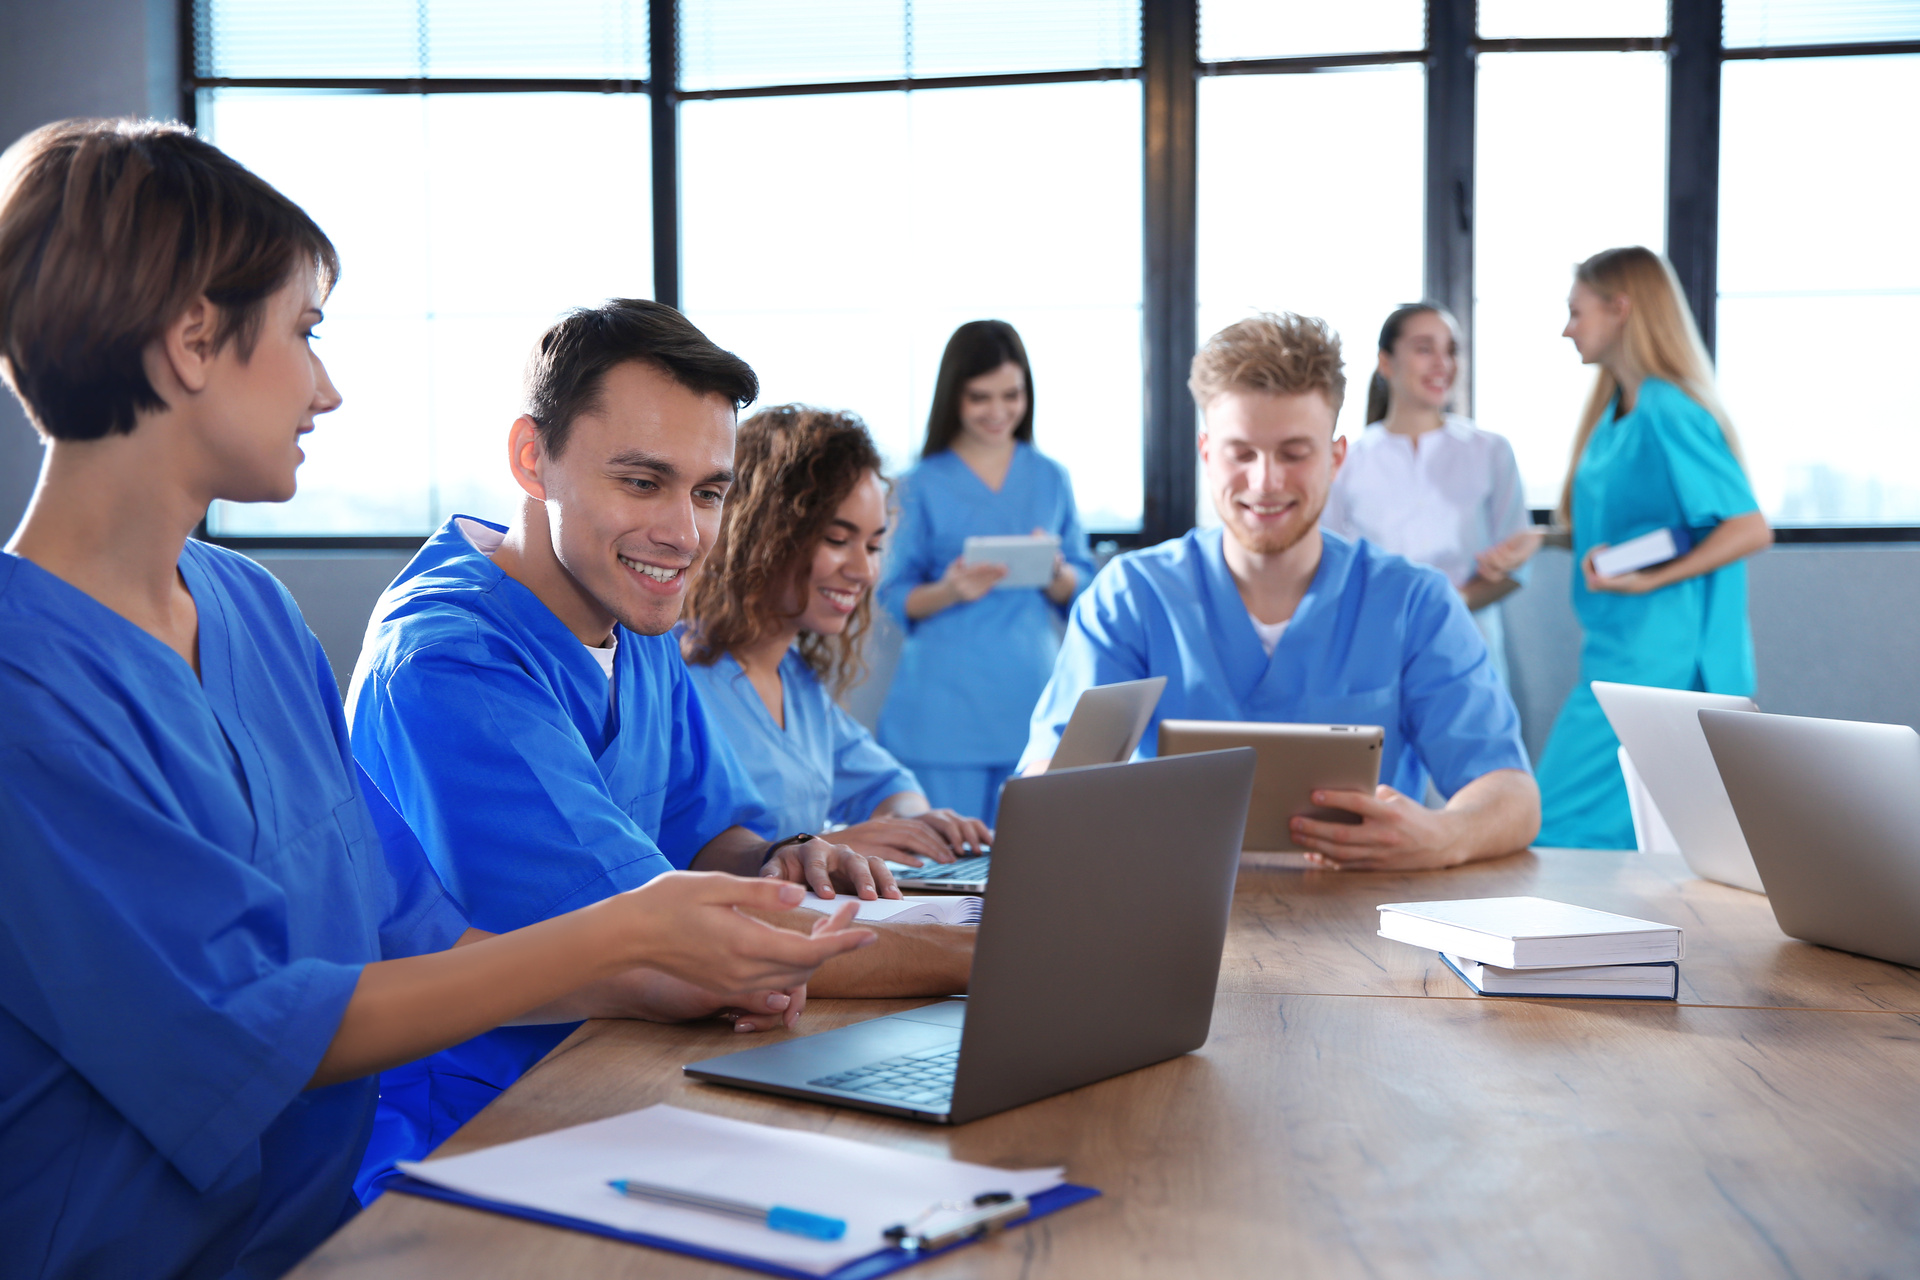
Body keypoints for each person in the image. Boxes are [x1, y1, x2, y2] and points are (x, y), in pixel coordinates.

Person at [0, 119, 872, 1279]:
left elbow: (409, 924)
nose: (328, 386)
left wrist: (670, 965)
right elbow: (254, 1021)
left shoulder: (249, 611)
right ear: (193, 338)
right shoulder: (24, 684)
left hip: (329, 1232)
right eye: (305, 334)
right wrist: (625, 931)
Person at [346, 302, 976, 1200]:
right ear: (533, 460)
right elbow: (668, 942)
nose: (685, 533)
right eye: (643, 483)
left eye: (709, 491)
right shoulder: (453, 663)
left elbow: (702, 833)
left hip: (638, 1064)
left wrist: (778, 856)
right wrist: (984, 954)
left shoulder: (634, 613)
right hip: (484, 1121)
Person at [1021, 312, 1539, 871]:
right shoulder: (1132, 598)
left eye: (1294, 453)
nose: (1265, 481)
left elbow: (1511, 794)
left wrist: (1445, 835)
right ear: (1205, 452)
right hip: (1162, 915)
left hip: (1365, 928)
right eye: (1241, 453)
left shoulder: (1414, 604)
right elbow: (1049, 785)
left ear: (1337, 457)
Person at [680, 404, 995, 865]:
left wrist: (911, 825)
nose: (864, 571)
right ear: (762, 532)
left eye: (872, 546)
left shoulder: (797, 681)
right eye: (836, 539)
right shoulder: (674, 672)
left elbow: (889, 784)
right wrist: (823, 848)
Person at [1534, 247, 1772, 849]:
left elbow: (1747, 527)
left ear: (1621, 309)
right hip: (1616, 654)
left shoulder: (1669, 409)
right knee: (1637, 840)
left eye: (1575, 312)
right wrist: (1542, 539)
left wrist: (1651, 580)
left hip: (1664, 662)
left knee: (1556, 825)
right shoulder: (1617, 413)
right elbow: (1634, 526)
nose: (1567, 328)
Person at [876, 320, 1096, 825]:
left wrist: (1056, 573)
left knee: (1033, 862)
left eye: (1011, 395)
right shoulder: (918, 485)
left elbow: (1081, 587)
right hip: (942, 708)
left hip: (1030, 694)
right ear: (954, 396)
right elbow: (892, 595)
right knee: (938, 868)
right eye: (980, 397)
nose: (998, 412)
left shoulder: (1049, 477)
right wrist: (950, 590)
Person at [1324, 303, 1542, 686]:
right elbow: (1328, 565)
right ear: (1386, 362)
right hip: (1377, 652)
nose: (1443, 363)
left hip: (1470, 647)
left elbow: (1515, 564)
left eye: (1452, 350)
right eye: (1425, 348)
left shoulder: (1490, 451)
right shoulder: (1347, 462)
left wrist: (1450, 605)